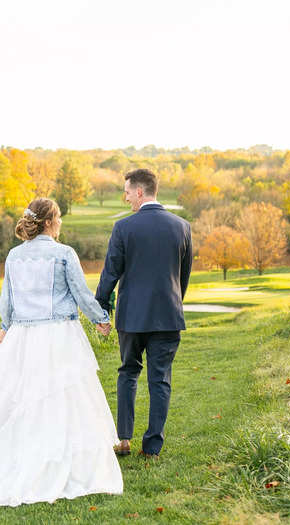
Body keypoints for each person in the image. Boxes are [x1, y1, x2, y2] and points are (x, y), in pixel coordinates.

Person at [0, 197, 123, 506]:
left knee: (24, 400)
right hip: (58, 335)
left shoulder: (14, 256)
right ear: (48, 222)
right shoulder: (64, 254)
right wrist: (101, 319)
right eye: (59, 217)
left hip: (22, 336)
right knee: (61, 399)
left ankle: (25, 455)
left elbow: (6, 300)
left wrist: (6, 326)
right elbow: (81, 294)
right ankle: (58, 462)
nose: (61, 222)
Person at [95, 169, 192, 459]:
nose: (124, 197)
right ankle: (152, 448)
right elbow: (182, 277)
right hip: (168, 314)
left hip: (132, 317)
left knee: (128, 372)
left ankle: (123, 439)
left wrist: (102, 307)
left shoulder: (124, 228)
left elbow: (110, 272)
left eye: (126, 191)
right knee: (160, 379)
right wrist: (173, 302)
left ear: (139, 192)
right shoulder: (182, 226)